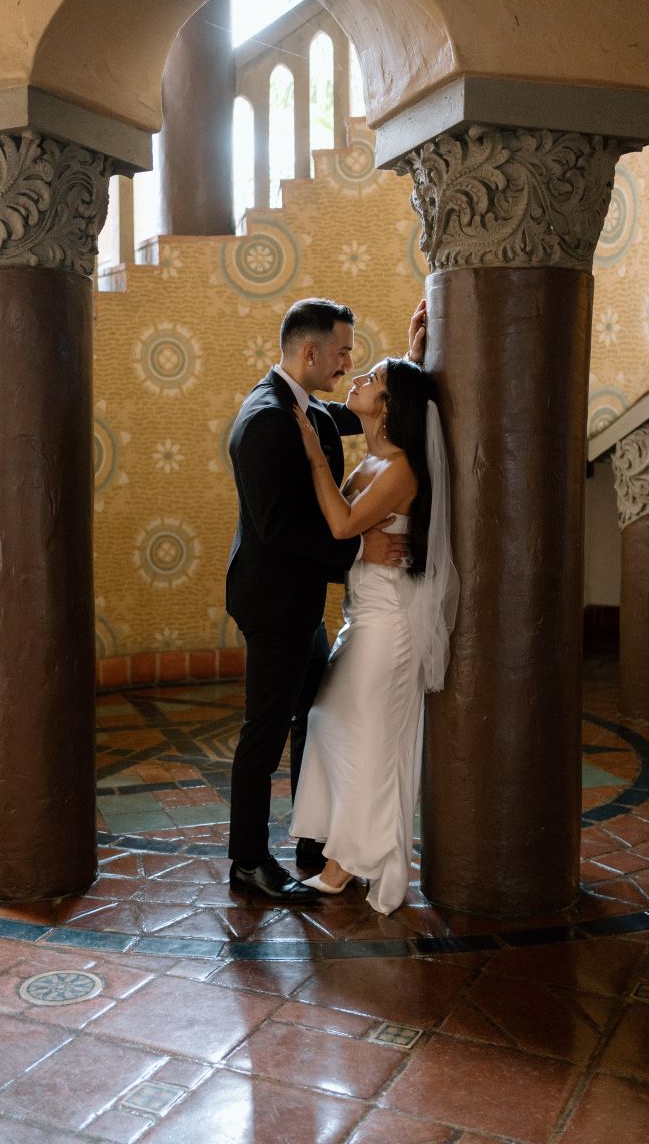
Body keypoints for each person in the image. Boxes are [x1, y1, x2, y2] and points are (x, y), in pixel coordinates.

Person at [225, 298, 409, 903]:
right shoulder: (267, 419)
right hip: (274, 606)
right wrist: (358, 556)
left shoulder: (306, 410)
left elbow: (384, 409)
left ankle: (313, 843)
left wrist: (415, 354)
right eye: (342, 352)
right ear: (310, 352)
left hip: (298, 603)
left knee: (315, 717)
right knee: (266, 732)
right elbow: (279, 529)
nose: (348, 364)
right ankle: (248, 861)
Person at [290, 332, 459, 915]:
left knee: (368, 740)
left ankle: (347, 865)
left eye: (371, 383)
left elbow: (339, 525)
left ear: (387, 408)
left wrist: (314, 453)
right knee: (329, 719)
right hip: (360, 617)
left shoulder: (402, 467)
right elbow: (351, 530)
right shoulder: (376, 457)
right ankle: (344, 849)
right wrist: (412, 356)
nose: (356, 380)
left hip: (389, 625)